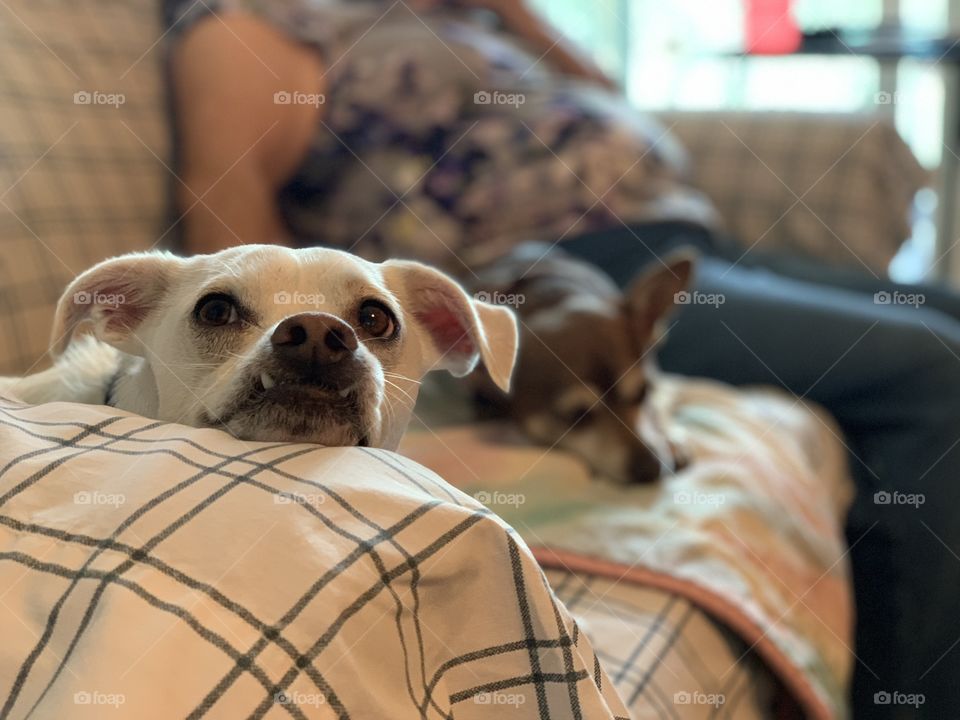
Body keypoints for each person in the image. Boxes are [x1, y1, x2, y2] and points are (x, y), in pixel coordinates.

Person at [164, 1, 960, 716]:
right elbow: (241, 247)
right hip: (559, 282)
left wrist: (515, 15)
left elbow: (605, 91)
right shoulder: (258, 24)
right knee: (932, 370)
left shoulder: (454, 14)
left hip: (679, 236)